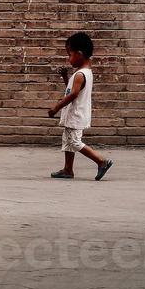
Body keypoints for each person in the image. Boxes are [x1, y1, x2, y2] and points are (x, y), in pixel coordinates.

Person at [47, 31, 112, 180]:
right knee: (68, 141)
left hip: (75, 114)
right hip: (78, 114)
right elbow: (72, 90)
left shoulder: (79, 75)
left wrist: (56, 107)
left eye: (70, 55)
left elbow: (73, 94)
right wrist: (65, 77)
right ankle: (68, 169)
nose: (69, 59)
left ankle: (101, 161)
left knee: (74, 142)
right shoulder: (84, 73)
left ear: (80, 54)